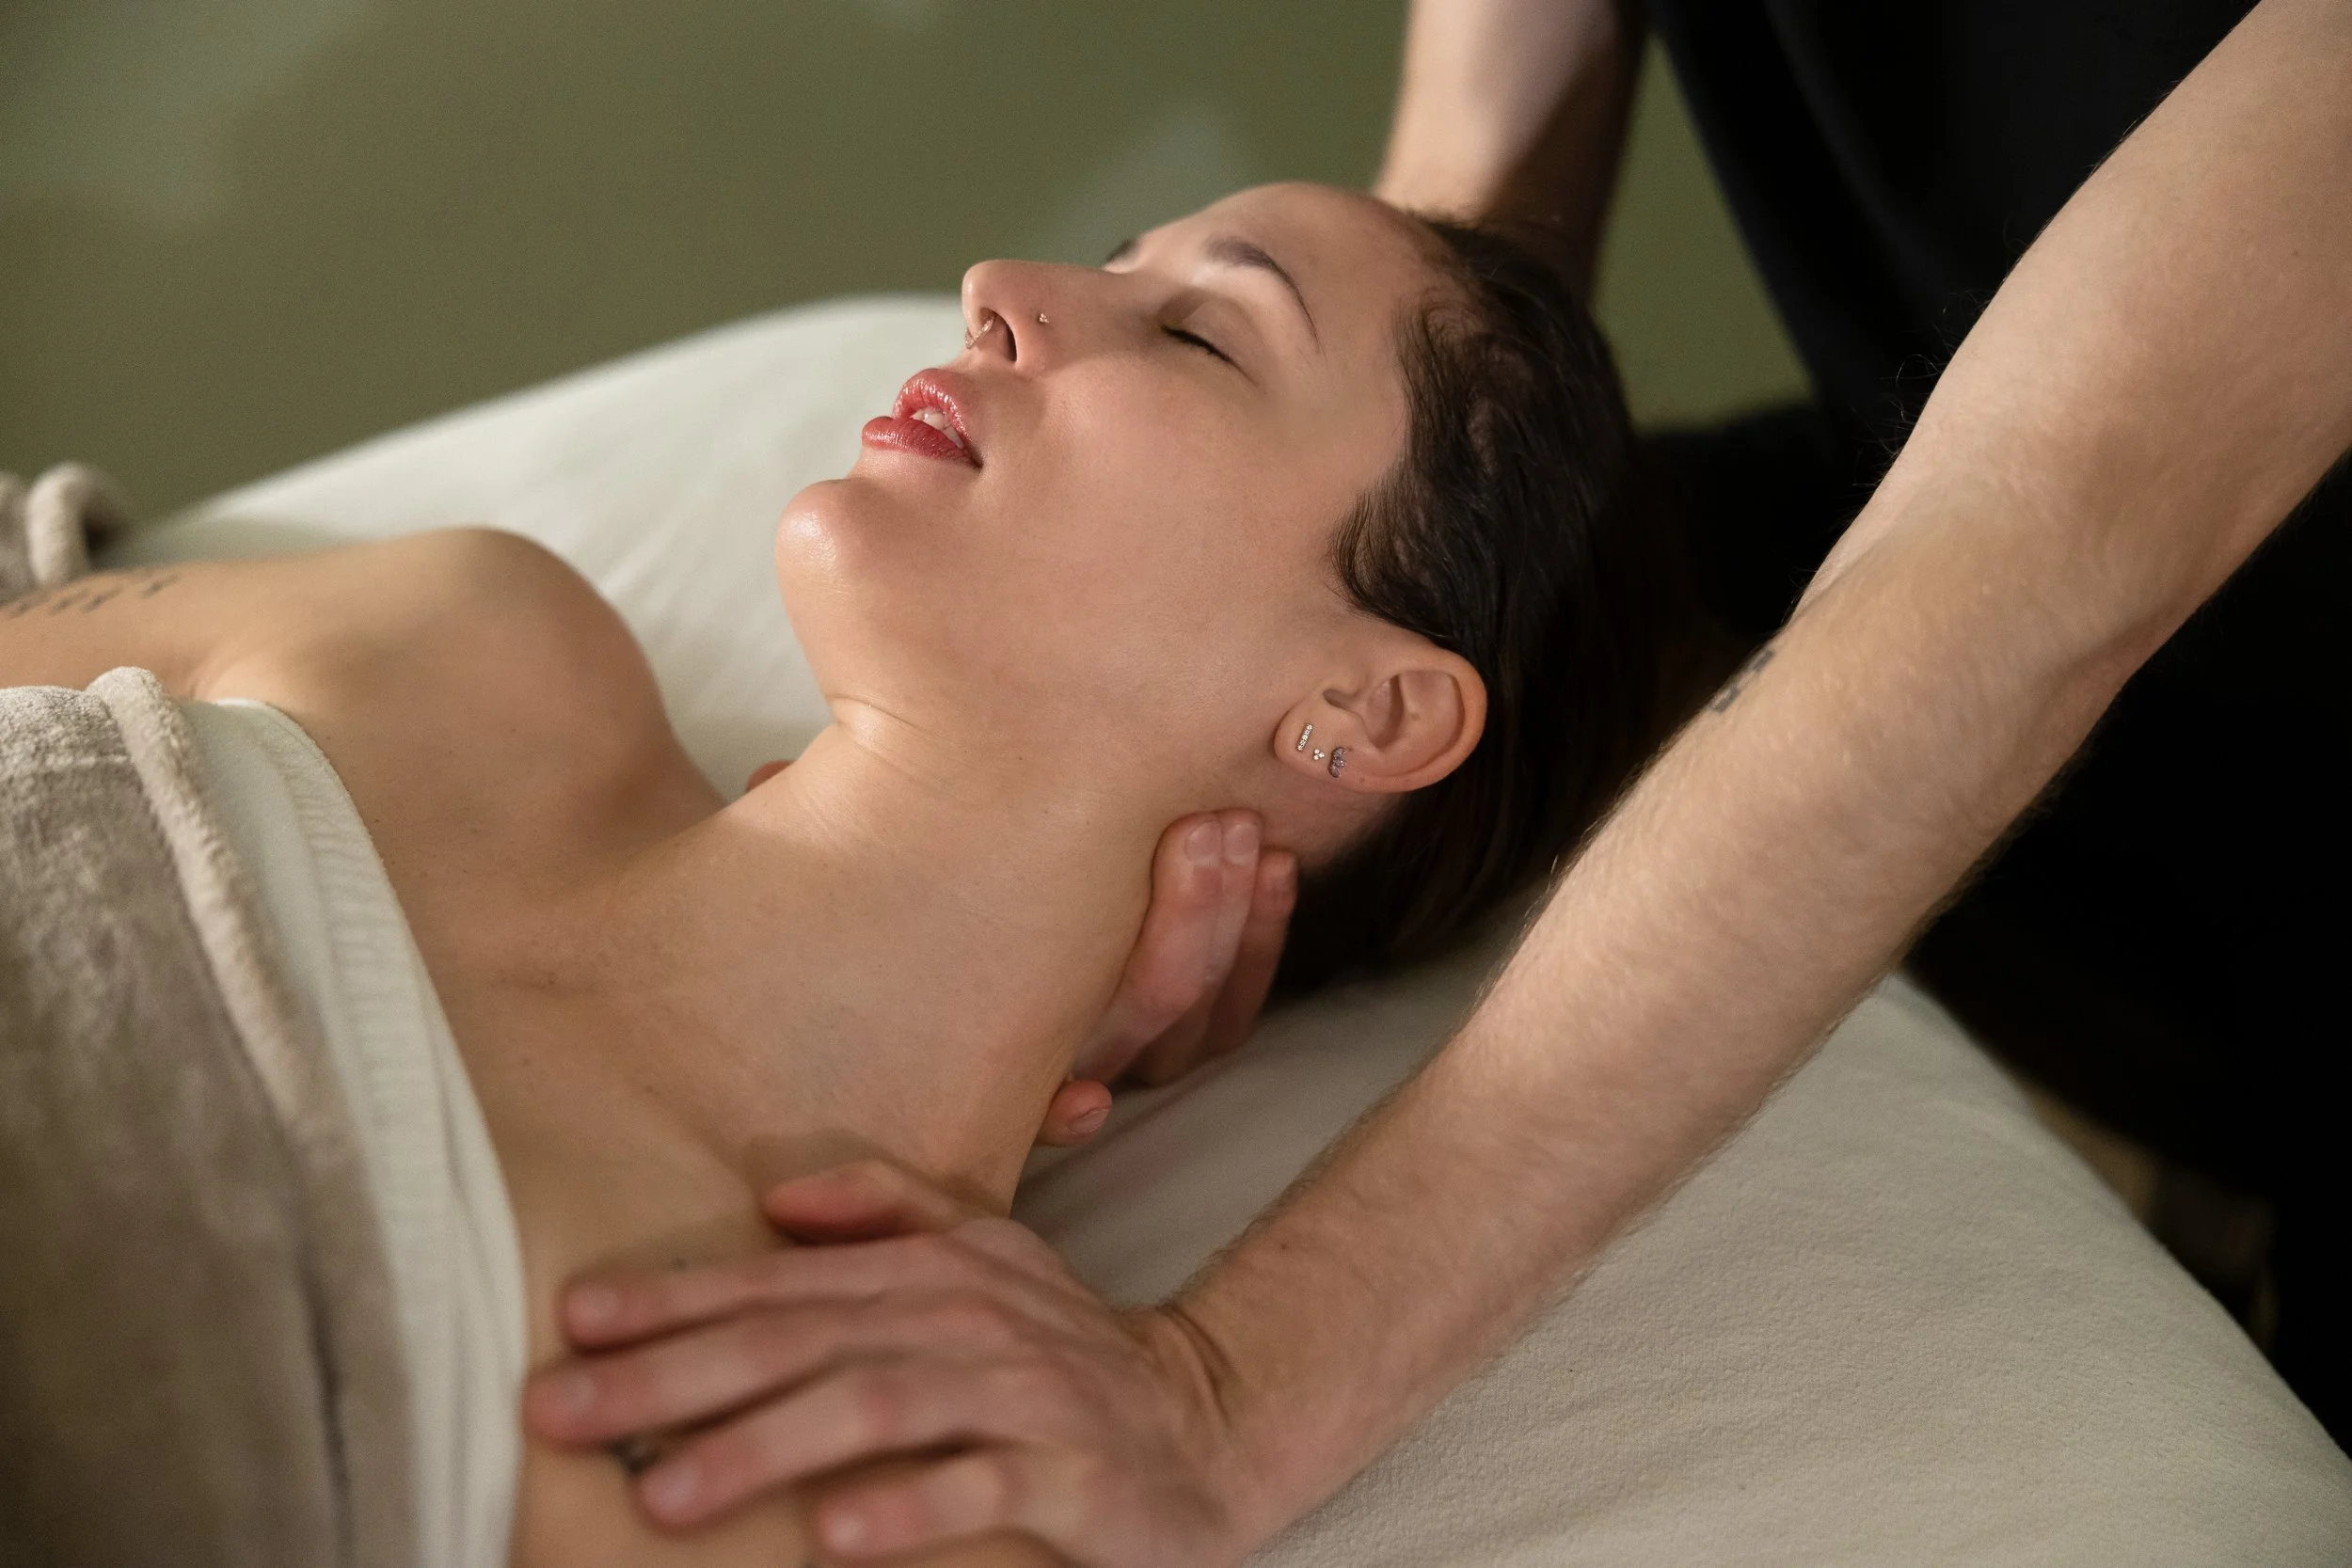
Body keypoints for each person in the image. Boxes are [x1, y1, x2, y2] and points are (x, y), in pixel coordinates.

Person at [520, 2, 2352, 1563]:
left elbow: (2042, 540)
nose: (998, 285)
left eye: (1182, 322)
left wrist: (1226, 1391)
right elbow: (1459, 279)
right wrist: (1219, 795)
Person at [0, 182, 1692, 1563]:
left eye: (1197, 330)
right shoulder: (473, 648)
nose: (995, 282)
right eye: (1115, 261)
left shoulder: (845, 1479)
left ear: (1367, 706)